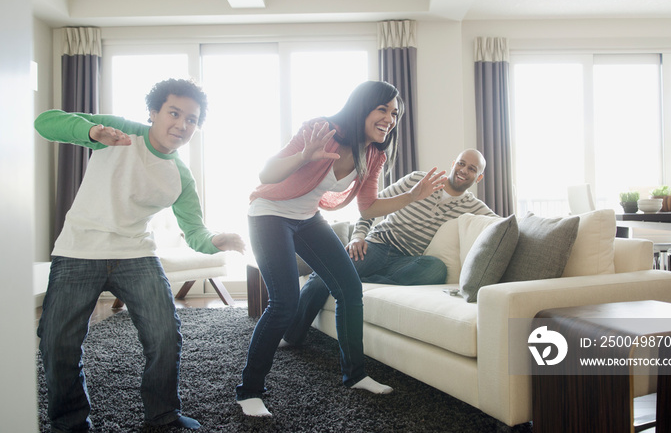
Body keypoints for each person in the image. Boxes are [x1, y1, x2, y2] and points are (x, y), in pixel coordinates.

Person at [35, 78, 245, 432]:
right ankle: (69, 423)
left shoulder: (180, 175)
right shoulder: (118, 132)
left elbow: (195, 232)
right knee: (58, 343)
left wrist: (216, 240)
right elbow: (45, 122)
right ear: (153, 112)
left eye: (191, 119)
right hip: (79, 250)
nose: (181, 125)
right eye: (174, 113)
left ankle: (162, 415)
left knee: (165, 335)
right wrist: (91, 133)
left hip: (136, 254)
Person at [237, 80, 447, 417]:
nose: (390, 119)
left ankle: (356, 375)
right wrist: (305, 155)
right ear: (362, 106)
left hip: (307, 218)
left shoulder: (374, 153)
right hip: (269, 214)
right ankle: (249, 391)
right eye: (383, 109)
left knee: (350, 290)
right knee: (284, 303)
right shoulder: (320, 129)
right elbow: (267, 172)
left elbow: (368, 207)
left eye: (395, 114)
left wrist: (412, 197)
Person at [282, 149, 497, 347]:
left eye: (472, 169)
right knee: (325, 274)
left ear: (478, 177)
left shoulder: (473, 205)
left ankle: (357, 279)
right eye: (461, 163)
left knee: (436, 268)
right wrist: (358, 235)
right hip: (378, 244)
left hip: (406, 260)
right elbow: (370, 206)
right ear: (453, 164)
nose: (464, 170)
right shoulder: (417, 179)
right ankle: (291, 335)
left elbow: (503, 224)